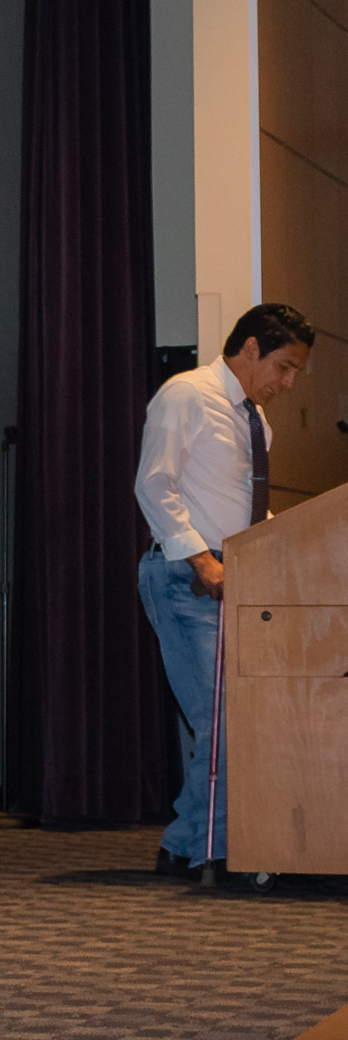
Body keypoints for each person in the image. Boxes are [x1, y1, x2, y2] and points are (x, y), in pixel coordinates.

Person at [134, 303, 313, 878]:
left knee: (233, 719)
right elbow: (154, 485)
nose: (287, 384)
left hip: (234, 583)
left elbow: (241, 508)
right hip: (187, 578)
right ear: (253, 347)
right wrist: (201, 559)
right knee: (223, 720)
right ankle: (213, 846)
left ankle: (187, 842)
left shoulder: (254, 421)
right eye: (284, 368)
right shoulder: (186, 395)